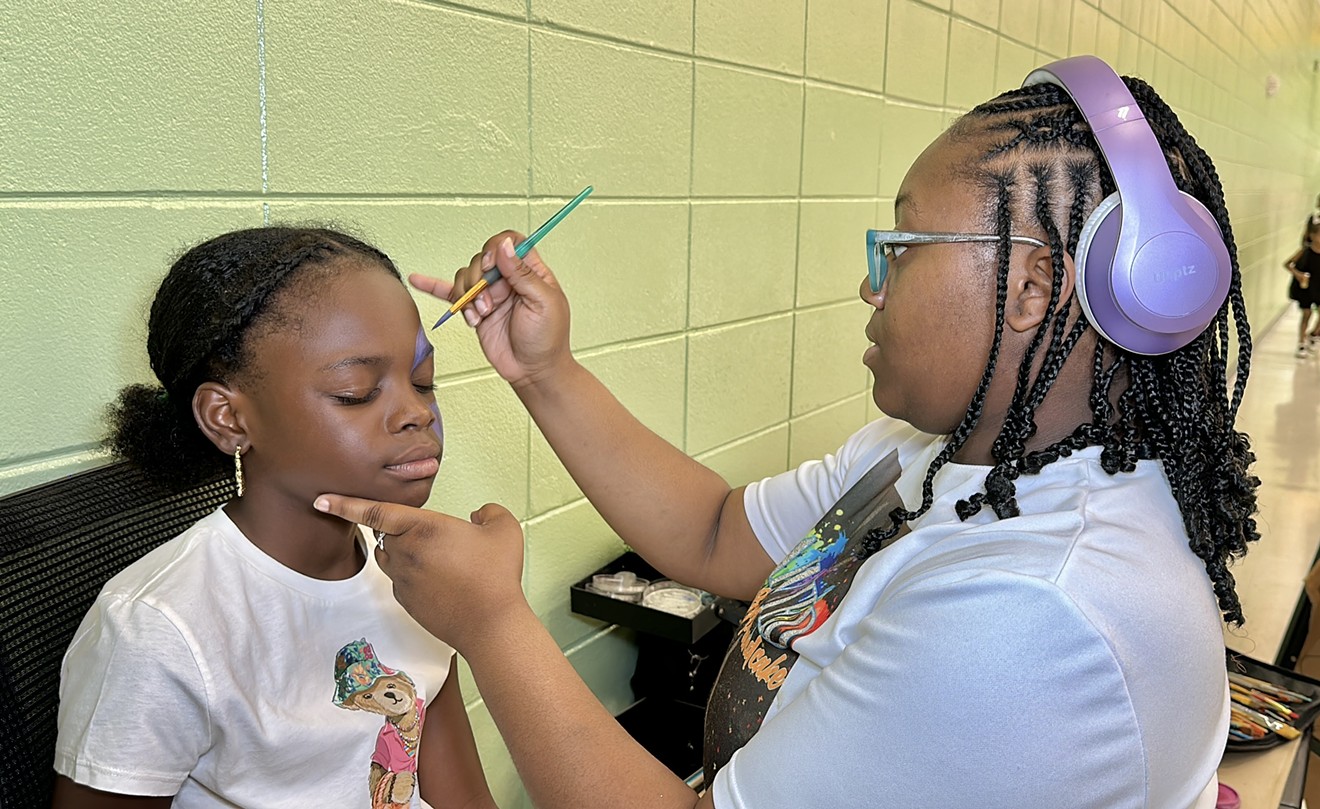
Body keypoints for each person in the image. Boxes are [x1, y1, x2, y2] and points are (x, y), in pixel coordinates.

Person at [316, 58, 1260, 809]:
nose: (870, 285)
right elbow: (716, 532)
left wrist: (492, 622)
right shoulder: (938, 456)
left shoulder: (1032, 612)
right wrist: (544, 371)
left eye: (899, 248)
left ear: (1031, 291)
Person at [53, 228, 495, 809]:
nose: (416, 413)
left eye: (422, 381)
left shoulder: (419, 571)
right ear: (229, 418)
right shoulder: (160, 631)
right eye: (356, 392)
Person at [1285, 219, 1320, 356]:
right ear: (1312, 236)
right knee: (1307, 313)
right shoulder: (1305, 251)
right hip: (1306, 289)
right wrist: (1299, 275)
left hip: (1319, 287)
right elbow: (1288, 264)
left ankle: (1313, 334)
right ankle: (1301, 342)